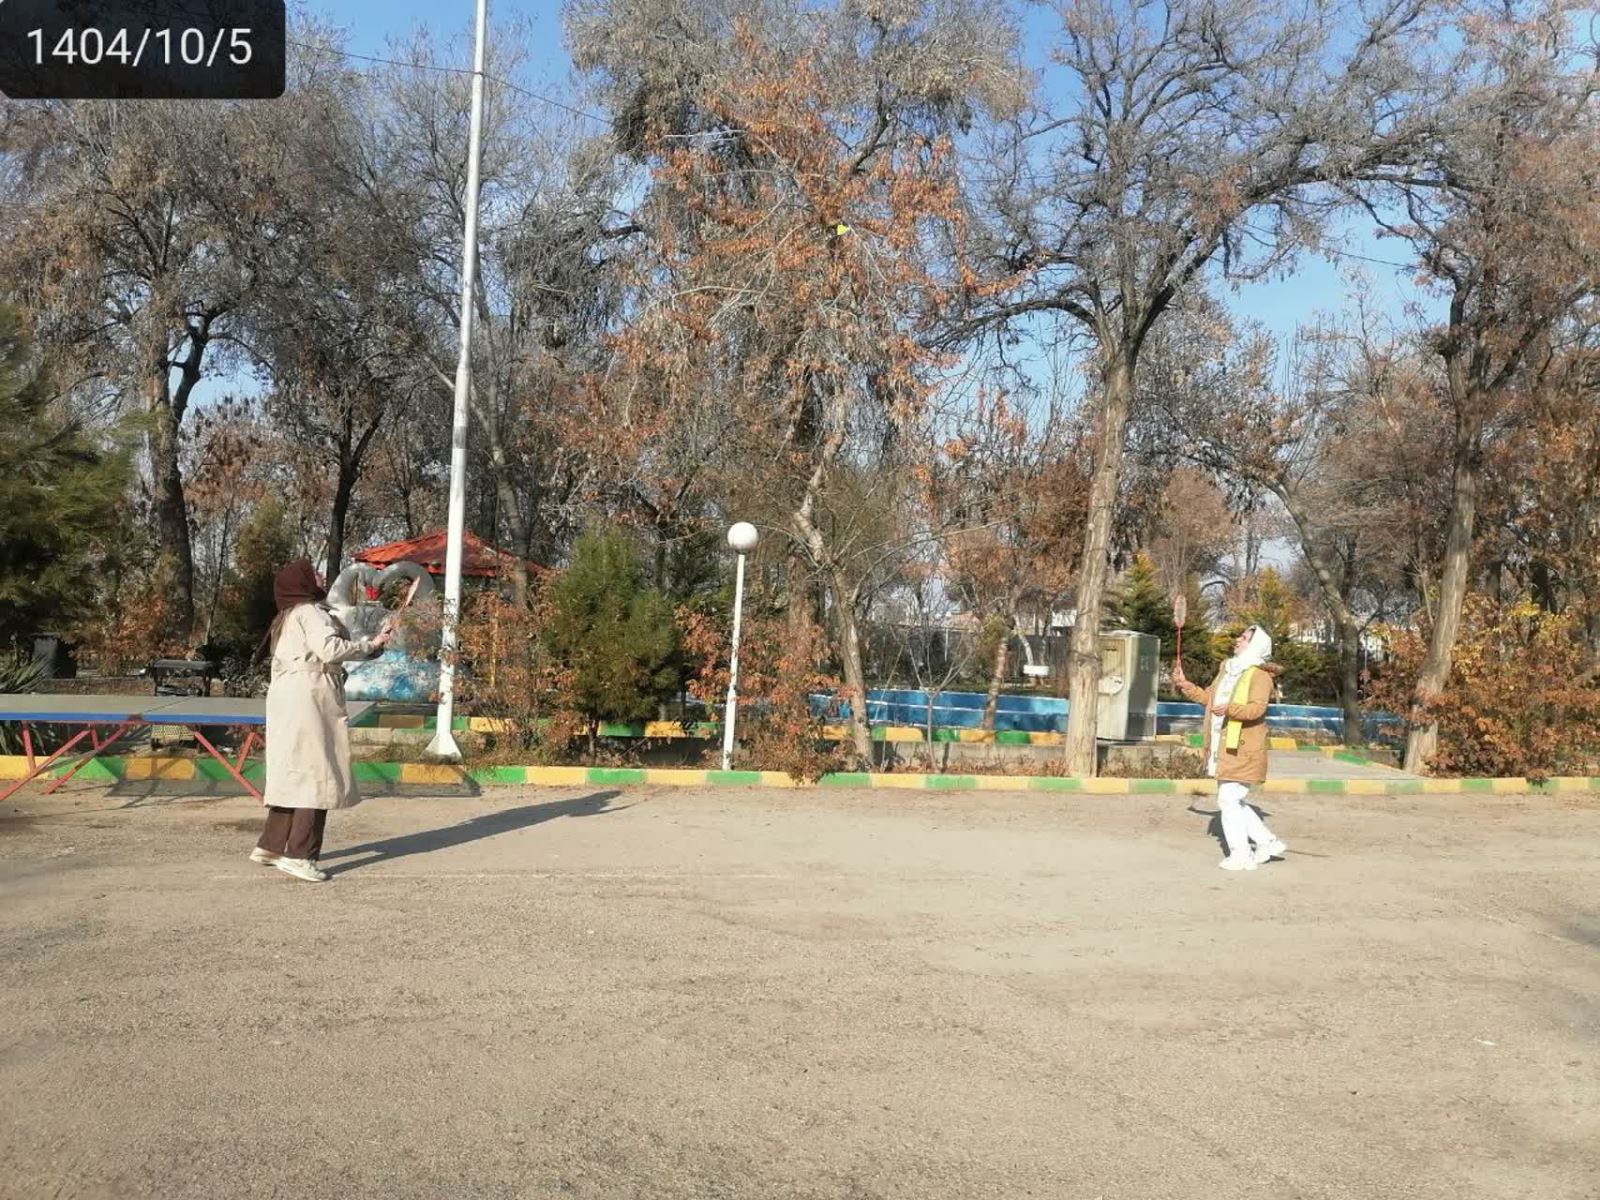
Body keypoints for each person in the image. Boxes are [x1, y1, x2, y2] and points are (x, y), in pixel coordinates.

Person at [250, 559, 390, 883]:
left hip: (288, 697)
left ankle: (271, 846)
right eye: (313, 572)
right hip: (310, 697)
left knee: (294, 771)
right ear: (301, 583)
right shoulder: (310, 612)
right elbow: (329, 649)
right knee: (318, 774)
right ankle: (301, 855)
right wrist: (370, 645)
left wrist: (368, 645)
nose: (320, 575)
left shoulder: (287, 616)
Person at [1172, 625, 1287, 872]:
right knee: (1233, 799)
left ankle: (1241, 855)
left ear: (1256, 646)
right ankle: (1267, 842)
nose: (1238, 640)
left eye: (1244, 638)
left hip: (1244, 747)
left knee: (1228, 799)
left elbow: (1257, 709)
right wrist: (1185, 684)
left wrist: (1229, 709)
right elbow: (1209, 698)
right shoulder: (1228, 669)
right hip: (1223, 745)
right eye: (1241, 637)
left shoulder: (1260, 675)